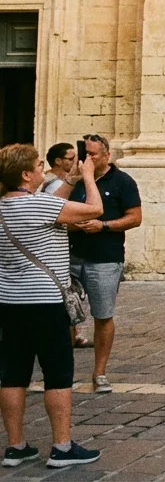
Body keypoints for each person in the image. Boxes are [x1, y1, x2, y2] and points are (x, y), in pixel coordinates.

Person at [0, 144, 105, 469]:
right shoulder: (40, 205)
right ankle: (62, 446)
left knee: (13, 374)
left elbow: (52, 204)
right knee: (57, 373)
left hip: (10, 302)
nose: (42, 171)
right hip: (46, 302)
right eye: (37, 166)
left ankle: (16, 446)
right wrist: (88, 177)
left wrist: (70, 179)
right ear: (25, 174)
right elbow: (95, 209)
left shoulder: (5, 206)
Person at [66, 134, 142, 394]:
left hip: (105, 258)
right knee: (65, 316)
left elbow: (135, 217)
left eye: (93, 154)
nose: (87, 159)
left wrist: (104, 225)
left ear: (107, 155)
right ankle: (64, 370)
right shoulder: (74, 182)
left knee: (103, 314)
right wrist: (75, 224)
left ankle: (99, 372)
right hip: (71, 256)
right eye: (84, 153)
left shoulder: (122, 181)